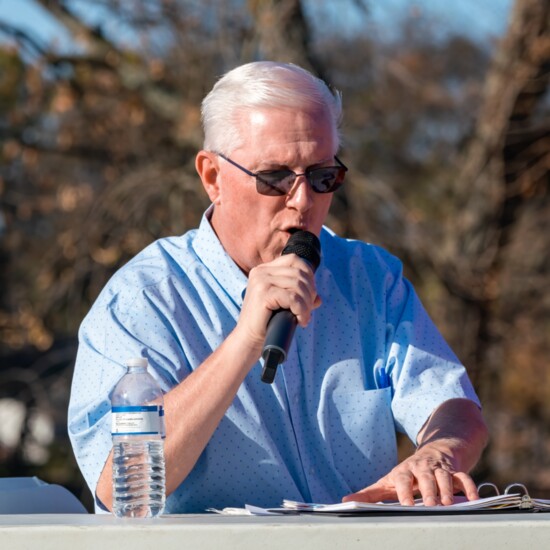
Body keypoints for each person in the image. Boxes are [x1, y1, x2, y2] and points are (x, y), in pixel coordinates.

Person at [68, 61, 488, 514]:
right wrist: (245, 341)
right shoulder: (144, 298)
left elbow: (453, 405)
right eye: (275, 178)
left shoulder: (369, 277)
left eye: (323, 177)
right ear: (213, 177)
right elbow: (118, 486)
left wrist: (435, 455)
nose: (303, 200)